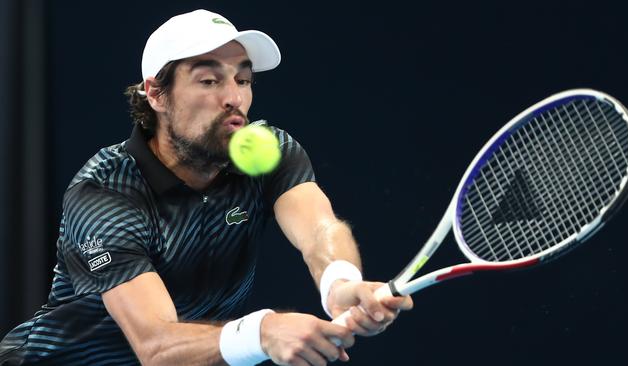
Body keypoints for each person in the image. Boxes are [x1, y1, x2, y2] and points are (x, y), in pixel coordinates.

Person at [0, 9, 412, 366]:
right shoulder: (106, 193)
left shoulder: (271, 152)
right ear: (156, 94)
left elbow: (320, 228)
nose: (235, 98)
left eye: (243, 80)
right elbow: (156, 346)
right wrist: (263, 332)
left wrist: (339, 284)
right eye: (210, 81)